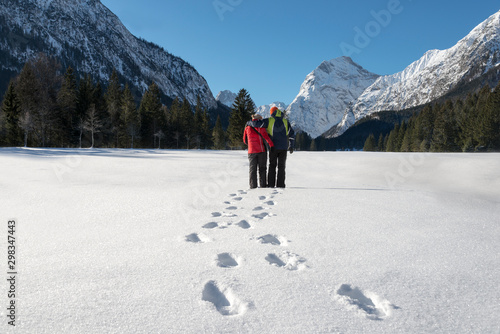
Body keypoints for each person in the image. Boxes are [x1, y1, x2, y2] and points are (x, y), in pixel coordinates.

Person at [264, 107, 295, 188]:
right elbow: (291, 134)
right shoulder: (285, 121)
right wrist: (291, 146)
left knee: (272, 165)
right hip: (284, 148)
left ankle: (271, 184)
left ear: (272, 113)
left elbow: (258, 123)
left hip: (273, 147)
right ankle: (280, 185)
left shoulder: (269, 120)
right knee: (281, 166)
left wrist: (250, 122)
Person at [243, 114, 274, 189]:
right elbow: (266, 137)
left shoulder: (247, 127)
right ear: (259, 119)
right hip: (261, 151)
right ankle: (263, 185)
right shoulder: (261, 127)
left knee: (252, 169)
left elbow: (244, 140)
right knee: (262, 169)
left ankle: (253, 186)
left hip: (251, 151)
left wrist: (250, 145)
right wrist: (271, 145)